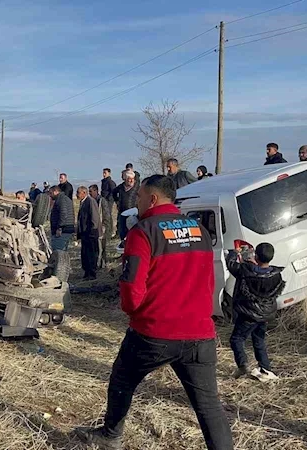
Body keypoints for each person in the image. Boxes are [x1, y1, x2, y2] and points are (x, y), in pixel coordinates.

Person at [75, 175, 233, 449]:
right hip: (200, 334)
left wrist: (132, 311)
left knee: (122, 379)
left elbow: (131, 286)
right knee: (208, 406)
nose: (136, 201)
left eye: (139, 197)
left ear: (153, 198)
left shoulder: (143, 231)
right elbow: (208, 281)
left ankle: (111, 436)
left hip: (154, 332)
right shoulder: (200, 231)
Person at [227, 243, 285, 381]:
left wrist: (234, 253)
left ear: (256, 256)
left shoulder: (246, 271)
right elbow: (261, 275)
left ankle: (243, 365)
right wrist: (255, 265)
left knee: (236, 339)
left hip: (249, 313)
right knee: (259, 340)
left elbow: (231, 265)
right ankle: (265, 368)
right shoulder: (276, 275)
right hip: (265, 314)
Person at [76, 186, 101, 280]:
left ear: (84, 193)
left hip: (90, 233)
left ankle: (92, 274)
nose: (77, 194)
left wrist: (93, 230)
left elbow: (95, 217)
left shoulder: (90, 201)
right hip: (84, 233)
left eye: (78, 192)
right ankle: (87, 273)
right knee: (85, 254)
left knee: (91, 254)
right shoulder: (82, 202)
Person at [112, 170, 138, 241]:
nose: (131, 180)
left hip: (133, 213)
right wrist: (117, 201)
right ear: (126, 179)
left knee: (133, 231)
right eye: (129, 178)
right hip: (122, 212)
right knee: (122, 231)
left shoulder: (137, 187)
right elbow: (114, 192)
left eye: (132, 179)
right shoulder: (121, 187)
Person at [49, 185, 75, 252]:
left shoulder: (61, 199)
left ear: (56, 192)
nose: (50, 195)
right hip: (66, 228)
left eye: (51, 193)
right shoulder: (63, 198)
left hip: (63, 230)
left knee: (58, 251)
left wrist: (59, 227)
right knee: (63, 252)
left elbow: (63, 214)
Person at [89, 184, 107, 269]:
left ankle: (103, 264)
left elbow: (106, 214)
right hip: (94, 228)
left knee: (102, 248)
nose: (90, 193)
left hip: (101, 227)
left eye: (91, 191)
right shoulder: (91, 201)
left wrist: (104, 226)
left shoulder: (101, 200)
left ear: (96, 191)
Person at [101, 168, 117, 240]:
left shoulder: (110, 182)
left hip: (108, 201)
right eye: (103, 173)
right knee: (105, 216)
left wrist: (108, 200)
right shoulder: (103, 182)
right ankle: (107, 231)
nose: (104, 174)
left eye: (105, 173)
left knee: (108, 216)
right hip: (104, 201)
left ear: (109, 173)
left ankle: (109, 231)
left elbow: (113, 192)